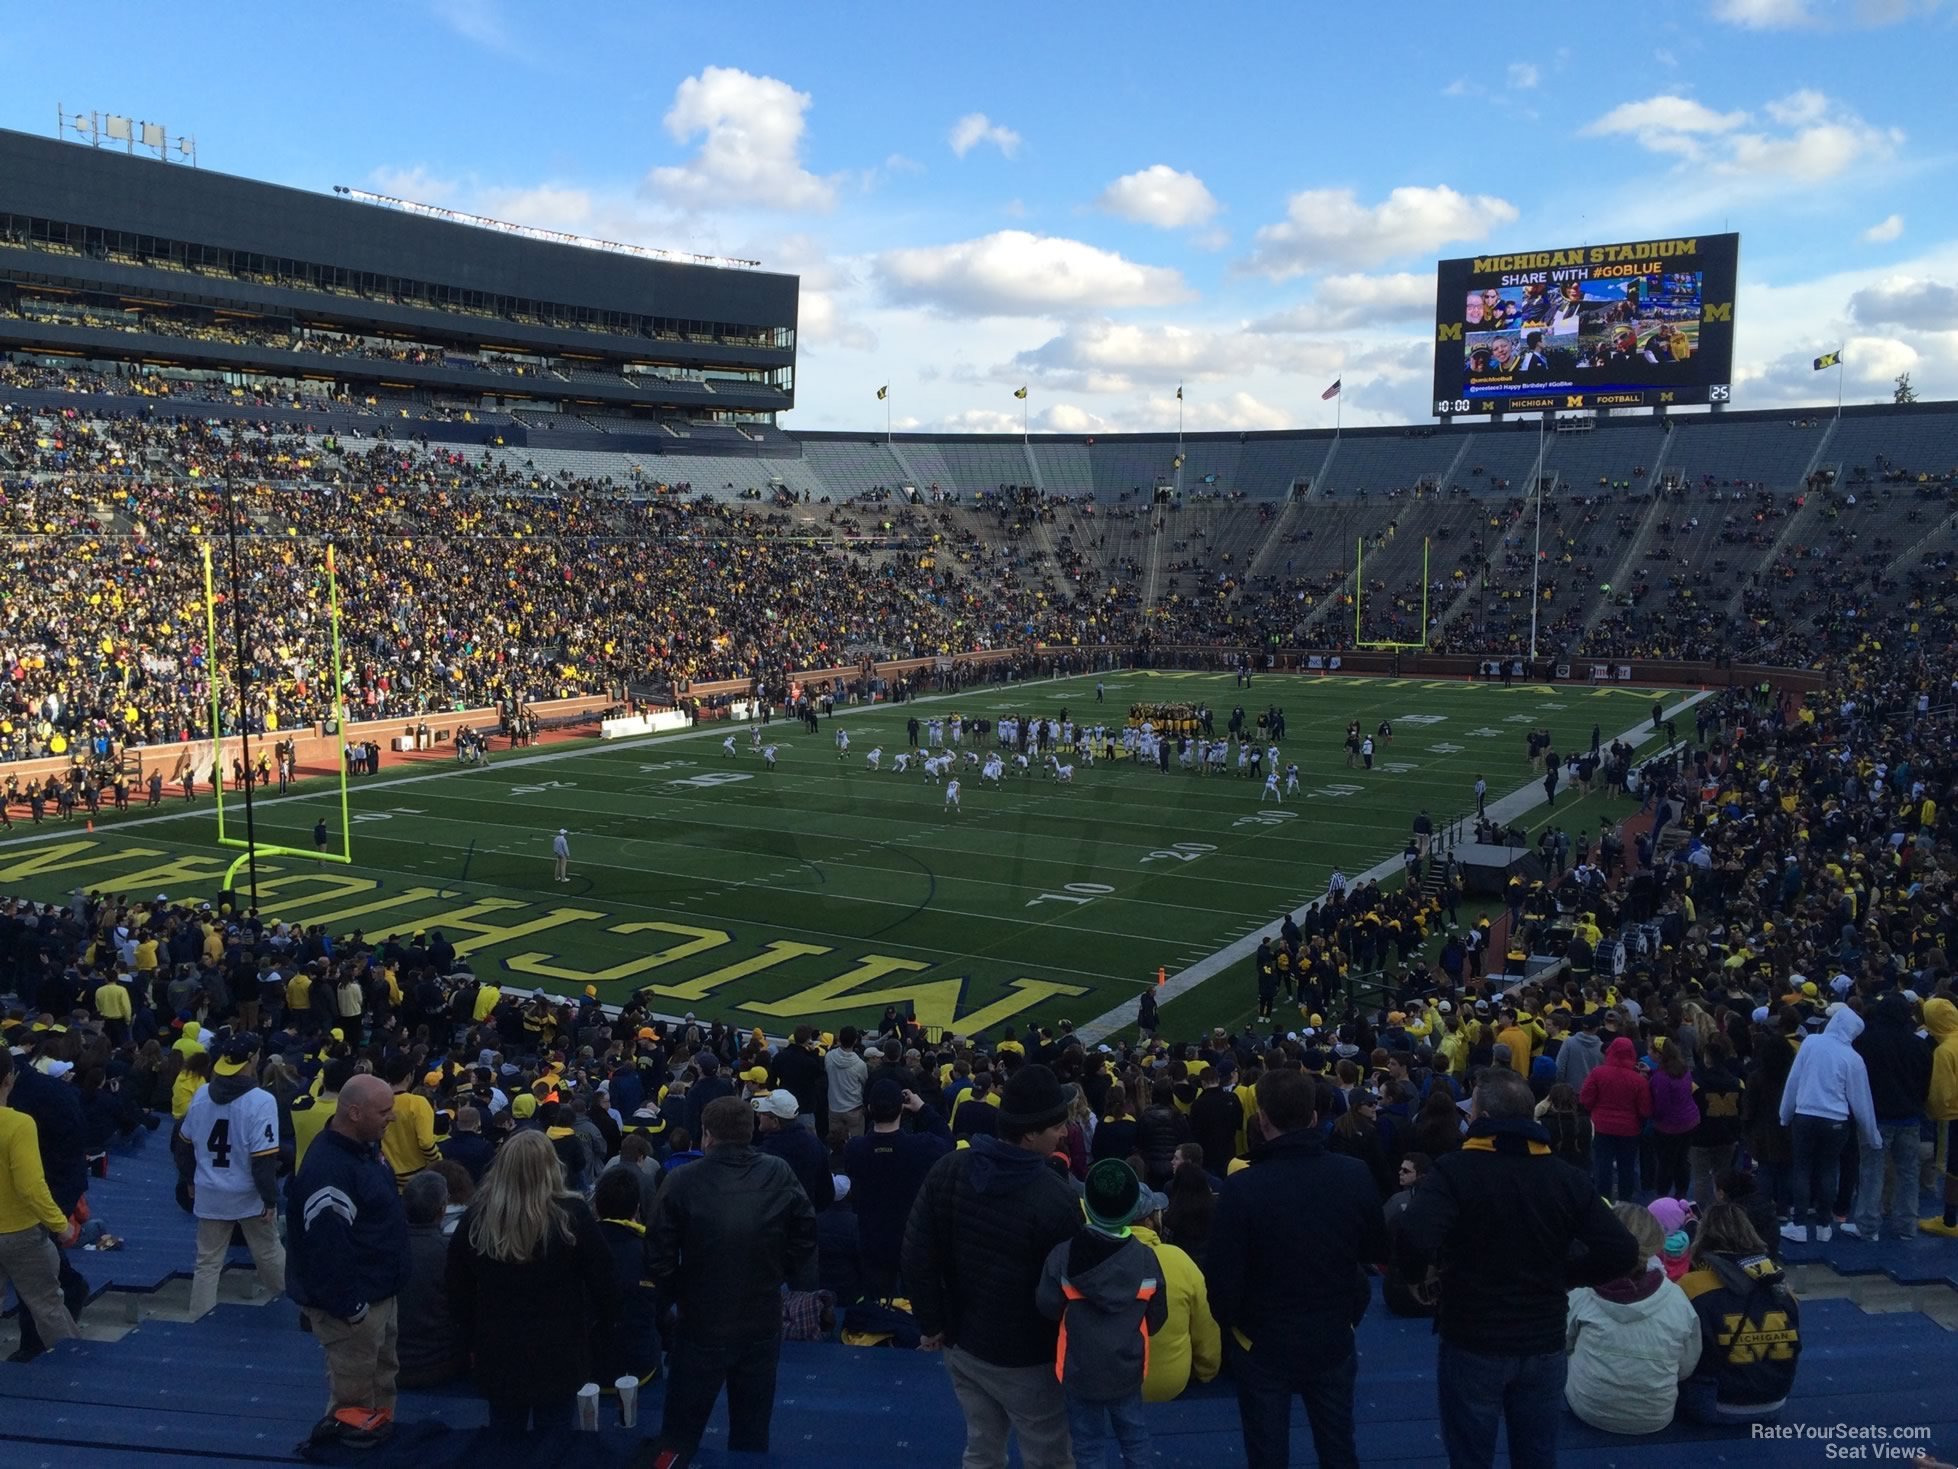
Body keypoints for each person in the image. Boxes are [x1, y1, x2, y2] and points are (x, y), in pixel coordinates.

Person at [1397, 1068, 1640, 1469]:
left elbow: (1413, 1237)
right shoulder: (1566, 1177)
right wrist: (1565, 1275)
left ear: (1486, 1119)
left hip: (1475, 1338)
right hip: (1541, 1338)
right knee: (1537, 1457)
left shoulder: (1455, 1170)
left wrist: (1416, 1277)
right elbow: (1621, 1251)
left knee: (1471, 1457)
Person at [1205, 1069, 1388, 1469]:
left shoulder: (1242, 1188)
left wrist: (1239, 1330)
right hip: (1326, 1335)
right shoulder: (1352, 1175)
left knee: (1271, 1454)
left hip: (1269, 1342)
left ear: (1264, 1120)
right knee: (1338, 1448)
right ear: (1312, 1117)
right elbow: (1375, 1252)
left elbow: (1221, 1281)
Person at [901, 1064, 1081, 1469]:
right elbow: (1071, 1290)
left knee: (982, 1450)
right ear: (1031, 1132)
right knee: (1049, 1458)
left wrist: (933, 1324)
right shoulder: (1057, 1198)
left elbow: (916, 1254)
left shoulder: (949, 1168)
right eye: (1057, 1125)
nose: (1064, 1132)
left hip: (963, 1345)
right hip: (1028, 1360)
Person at [647, 1094, 818, 1466]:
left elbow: (657, 1257)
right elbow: (805, 1233)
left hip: (706, 1322)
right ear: (751, 1129)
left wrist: (677, 1295)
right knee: (749, 1432)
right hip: (754, 1319)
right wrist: (779, 1273)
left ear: (707, 1135)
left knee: (680, 1433)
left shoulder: (683, 1179)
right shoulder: (776, 1172)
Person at [446, 1130, 614, 1434]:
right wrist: (593, 1325)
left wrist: (472, 1332)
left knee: (505, 1433)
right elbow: (605, 1281)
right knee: (553, 1434)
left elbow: (456, 1288)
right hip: (559, 1346)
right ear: (551, 1167)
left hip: (498, 1344)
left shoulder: (478, 1217)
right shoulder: (571, 1215)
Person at [289, 1073, 411, 1450]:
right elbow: (325, 1249)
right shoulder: (330, 1169)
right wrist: (352, 1308)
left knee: (382, 1382)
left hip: (380, 1294)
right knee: (353, 1403)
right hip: (356, 1306)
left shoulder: (362, 1147)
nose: (391, 1117)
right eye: (384, 1111)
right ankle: (349, 1455)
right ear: (355, 1113)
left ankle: (378, 1447)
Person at [1036, 1160, 1168, 1469]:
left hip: (1078, 1370)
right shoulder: (1147, 1260)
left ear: (1087, 1206)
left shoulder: (1063, 1256)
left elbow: (1047, 1306)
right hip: (1127, 1369)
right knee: (1135, 1438)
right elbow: (1157, 1317)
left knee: (1087, 1445)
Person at [1563, 1202, 1702, 1434]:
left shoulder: (1583, 1292)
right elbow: (1686, 1366)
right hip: (1655, 1416)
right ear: (1656, 1243)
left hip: (1589, 1409)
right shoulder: (1678, 1298)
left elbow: (1563, 1344)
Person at [176, 1033, 285, 1319]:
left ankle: (199, 1319)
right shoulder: (261, 1100)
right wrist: (270, 1200)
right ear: (252, 1059)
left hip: (210, 1189)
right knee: (268, 1253)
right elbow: (263, 1159)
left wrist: (188, 1180)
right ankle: (290, 1308)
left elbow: (183, 1144)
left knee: (207, 1263)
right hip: (248, 1192)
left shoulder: (201, 1093)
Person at [1677, 1201, 1802, 1424]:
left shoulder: (1692, 1286)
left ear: (1703, 1235)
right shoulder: (1779, 1284)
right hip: (1775, 1402)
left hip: (1716, 1404)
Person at [1778, 1007, 1880, 1244]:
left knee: (1802, 1168)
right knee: (1828, 1169)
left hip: (1805, 1115)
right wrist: (1872, 1136)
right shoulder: (1853, 1058)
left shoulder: (1811, 1042)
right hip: (1836, 1120)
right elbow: (1861, 1100)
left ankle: (1799, 1224)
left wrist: (1785, 1114)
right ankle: (1825, 1225)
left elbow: (1794, 1080)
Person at [844, 1078, 952, 1297]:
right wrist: (922, 1108)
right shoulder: (920, 1148)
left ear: (870, 1109)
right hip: (910, 1240)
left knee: (878, 1307)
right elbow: (947, 1140)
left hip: (872, 1240)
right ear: (901, 1109)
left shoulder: (854, 1149)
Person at [0, 1048, 78, 1350]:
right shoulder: (19, 1124)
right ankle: (72, 1372)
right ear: (9, 1078)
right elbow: (31, 1186)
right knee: (47, 1307)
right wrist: (60, 1224)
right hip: (20, 1233)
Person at [1849, 991, 1932, 1242]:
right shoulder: (1919, 1045)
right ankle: (1907, 1226)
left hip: (1876, 1117)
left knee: (1872, 1171)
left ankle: (1867, 1226)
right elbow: (1925, 1082)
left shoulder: (1866, 1041)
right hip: (1909, 1117)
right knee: (1909, 1173)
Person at [1127, 1183, 1219, 1403]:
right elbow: (1205, 1327)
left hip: (1110, 1385)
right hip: (1170, 1384)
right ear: (1150, 1220)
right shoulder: (1179, 1259)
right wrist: (1207, 1372)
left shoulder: (1094, 1259)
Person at [591, 1167, 662, 1393]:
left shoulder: (576, 1244)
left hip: (585, 1367)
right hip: (639, 1367)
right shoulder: (650, 1249)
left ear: (596, 1207)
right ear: (637, 1208)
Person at [395, 1171, 465, 1389]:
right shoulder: (449, 1252)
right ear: (442, 1209)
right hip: (439, 1363)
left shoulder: (386, 1248)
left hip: (393, 1363)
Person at [1579, 1035, 1651, 1201]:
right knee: (1627, 1167)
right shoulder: (1638, 1080)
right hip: (1629, 1130)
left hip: (1602, 1126)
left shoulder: (1598, 1073)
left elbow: (1585, 1099)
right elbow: (1645, 1109)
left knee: (1602, 1165)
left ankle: (1602, 1201)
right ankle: (1625, 1201)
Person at [826, 1029, 869, 1138]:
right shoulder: (860, 1065)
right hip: (853, 1108)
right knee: (856, 1145)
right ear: (855, 1041)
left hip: (835, 1108)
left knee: (836, 1145)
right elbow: (865, 1084)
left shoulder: (829, 1057)